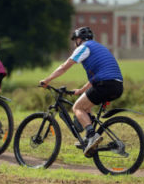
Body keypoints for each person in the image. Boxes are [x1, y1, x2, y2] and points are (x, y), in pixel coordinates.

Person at [40, 26, 123, 157]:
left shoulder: (84, 48)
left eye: (75, 40)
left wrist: (47, 80)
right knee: (86, 107)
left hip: (104, 84)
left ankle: (91, 136)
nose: (75, 43)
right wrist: (81, 90)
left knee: (77, 107)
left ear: (79, 40)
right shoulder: (99, 48)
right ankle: (87, 138)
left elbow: (64, 67)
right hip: (117, 86)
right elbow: (98, 75)